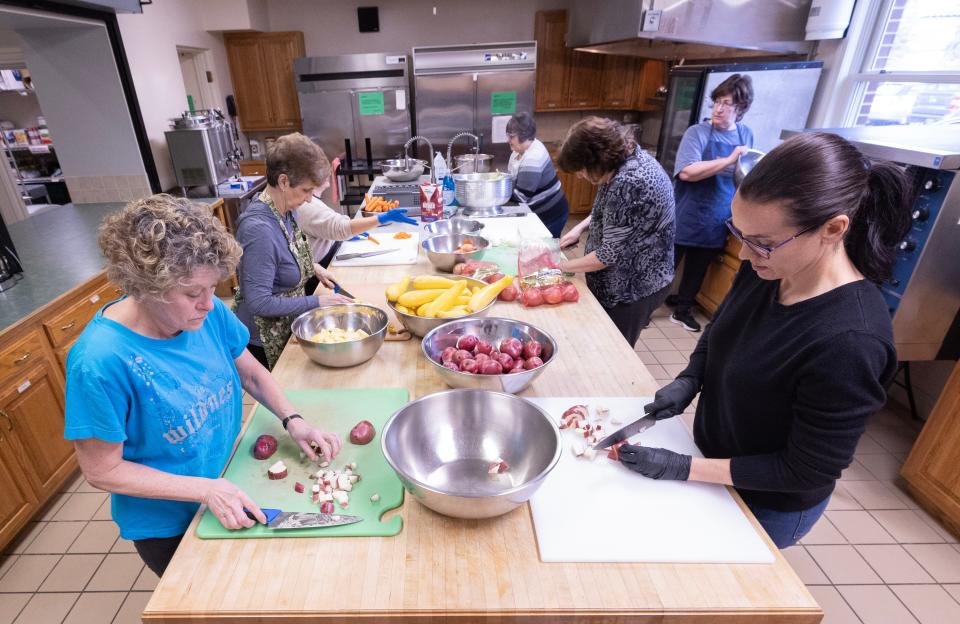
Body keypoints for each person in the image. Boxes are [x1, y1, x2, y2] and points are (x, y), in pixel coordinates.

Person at [617, 132, 911, 549]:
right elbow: (722, 331)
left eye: (763, 243)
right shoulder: (766, 267)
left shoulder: (852, 341)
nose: (744, 254)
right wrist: (691, 378)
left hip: (767, 500)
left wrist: (684, 468)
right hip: (712, 461)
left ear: (832, 228)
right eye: (740, 234)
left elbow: (804, 471)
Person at [64, 195, 343, 576]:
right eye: (193, 293)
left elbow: (251, 372)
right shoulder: (99, 361)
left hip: (227, 479)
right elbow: (101, 470)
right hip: (170, 523)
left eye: (213, 288)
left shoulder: (204, 316)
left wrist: (293, 419)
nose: (210, 305)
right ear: (145, 286)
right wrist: (204, 490)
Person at [234, 133, 357, 369]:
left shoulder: (287, 211)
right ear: (283, 182)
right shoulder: (258, 230)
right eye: (306, 190)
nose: (310, 199)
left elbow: (284, 254)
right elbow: (259, 302)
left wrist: (313, 267)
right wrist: (317, 302)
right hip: (264, 343)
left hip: (288, 327)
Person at [556, 117, 675, 347]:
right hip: (622, 279)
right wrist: (579, 228)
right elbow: (615, 215)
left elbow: (607, 256)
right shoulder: (623, 159)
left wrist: (560, 267)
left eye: (581, 170)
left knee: (614, 348)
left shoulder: (629, 181)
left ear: (596, 159)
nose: (580, 176)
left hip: (633, 286)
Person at [669, 74, 755, 332]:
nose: (718, 108)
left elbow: (746, 174)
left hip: (718, 215)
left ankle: (682, 310)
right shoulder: (698, 132)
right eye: (717, 101)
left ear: (740, 108)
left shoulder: (745, 134)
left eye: (726, 103)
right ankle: (647, 308)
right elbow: (687, 172)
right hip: (687, 211)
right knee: (666, 265)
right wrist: (729, 160)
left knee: (698, 268)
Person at [293, 144, 416, 276]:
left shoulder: (308, 200)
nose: (329, 172)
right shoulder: (306, 205)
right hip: (322, 269)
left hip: (328, 254)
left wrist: (339, 238)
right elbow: (340, 228)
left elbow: (328, 227)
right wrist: (381, 218)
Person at [506, 112, 569, 238]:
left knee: (545, 251)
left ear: (524, 136)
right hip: (536, 214)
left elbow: (522, 196)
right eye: (508, 135)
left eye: (511, 136)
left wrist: (495, 200)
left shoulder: (533, 158)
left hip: (551, 215)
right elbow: (510, 181)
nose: (508, 140)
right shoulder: (517, 152)